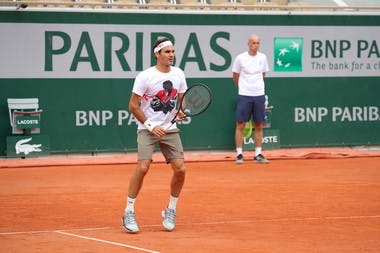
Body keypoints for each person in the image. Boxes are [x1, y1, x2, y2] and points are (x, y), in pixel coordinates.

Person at [122, 38, 187, 233]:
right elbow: (133, 105)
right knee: (143, 167)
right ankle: (128, 211)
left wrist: (181, 111)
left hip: (170, 128)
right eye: (167, 52)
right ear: (157, 54)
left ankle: (171, 209)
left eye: (173, 51)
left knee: (181, 169)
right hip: (147, 128)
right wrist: (150, 125)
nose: (171, 55)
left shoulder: (179, 74)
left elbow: (181, 101)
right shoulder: (145, 77)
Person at [232, 34, 270, 164]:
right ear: (248, 44)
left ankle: (258, 154)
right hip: (244, 95)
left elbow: (263, 74)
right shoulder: (240, 58)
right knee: (240, 124)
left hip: (259, 94)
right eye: (253, 43)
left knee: (259, 124)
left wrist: (256, 87)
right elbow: (235, 76)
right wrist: (242, 88)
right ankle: (239, 155)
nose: (256, 45)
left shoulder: (263, 57)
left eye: (258, 43)